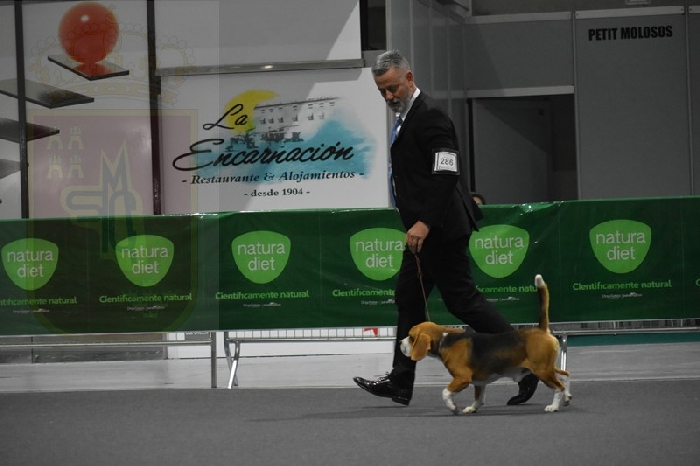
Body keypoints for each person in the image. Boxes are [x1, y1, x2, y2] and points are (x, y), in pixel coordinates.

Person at [353, 50, 538, 406]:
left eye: (392, 88)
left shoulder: (431, 116)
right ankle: (401, 382)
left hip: (440, 229)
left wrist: (424, 222)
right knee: (409, 298)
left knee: (463, 301)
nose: (388, 96)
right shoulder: (407, 117)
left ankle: (525, 362)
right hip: (422, 232)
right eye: (381, 91)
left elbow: (446, 173)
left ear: (409, 78)